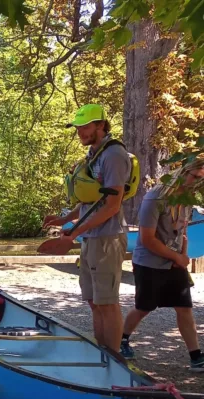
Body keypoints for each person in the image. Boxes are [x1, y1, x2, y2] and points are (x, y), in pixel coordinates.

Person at [43, 104, 130, 353]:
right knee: (94, 301)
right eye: (78, 127)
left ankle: (112, 360)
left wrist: (76, 231)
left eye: (86, 127)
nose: (80, 131)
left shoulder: (113, 155)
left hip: (108, 237)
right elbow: (91, 200)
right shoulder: (94, 153)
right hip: (91, 237)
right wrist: (65, 220)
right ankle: (101, 352)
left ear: (101, 125)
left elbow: (112, 205)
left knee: (107, 302)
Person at [120, 160, 204, 371]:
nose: (196, 182)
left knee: (184, 308)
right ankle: (122, 339)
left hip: (175, 263)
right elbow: (147, 239)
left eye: (201, 179)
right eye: (194, 176)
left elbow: (181, 232)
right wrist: (176, 258)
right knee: (144, 307)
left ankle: (196, 357)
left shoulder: (186, 199)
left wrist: (182, 257)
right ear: (183, 171)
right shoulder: (155, 197)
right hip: (149, 263)